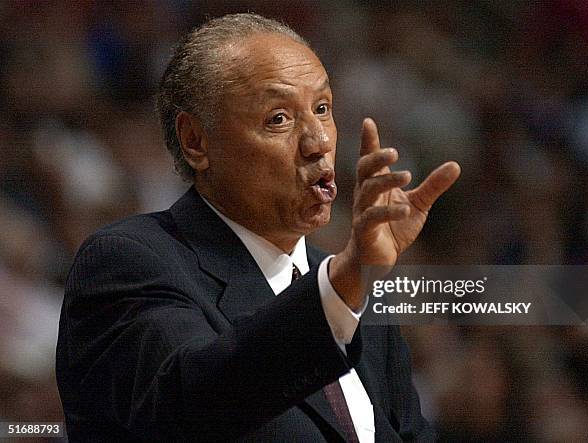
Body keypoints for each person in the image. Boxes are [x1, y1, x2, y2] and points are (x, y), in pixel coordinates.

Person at [56, 13, 460, 442]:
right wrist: (343, 286)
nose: (318, 141)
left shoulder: (353, 293)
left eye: (322, 109)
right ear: (196, 141)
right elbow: (193, 407)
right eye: (279, 119)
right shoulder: (131, 261)